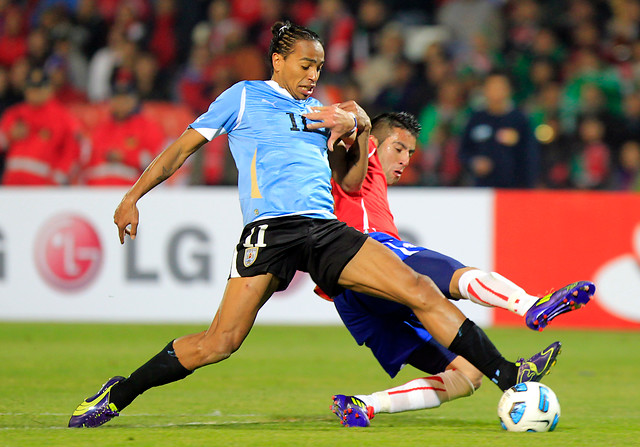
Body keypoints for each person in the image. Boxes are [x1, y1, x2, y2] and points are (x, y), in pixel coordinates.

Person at [69, 21, 563, 429]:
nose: (312, 75)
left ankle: (508, 375)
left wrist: (360, 131)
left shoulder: (320, 114)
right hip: (271, 232)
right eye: (305, 65)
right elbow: (181, 148)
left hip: (324, 229)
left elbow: (348, 180)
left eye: (319, 67)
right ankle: (119, 393)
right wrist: (133, 197)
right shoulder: (243, 97)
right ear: (278, 61)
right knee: (219, 343)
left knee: (416, 287)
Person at [322, 111, 594, 427]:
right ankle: (531, 304)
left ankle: (362, 405)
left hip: (350, 297)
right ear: (373, 142)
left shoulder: (349, 180)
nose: (405, 159)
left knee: (468, 373)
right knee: (454, 277)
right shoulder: (360, 150)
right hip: (368, 252)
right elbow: (345, 124)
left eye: (410, 153)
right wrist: (354, 117)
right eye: (398, 148)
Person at [459, 71, 540, 188]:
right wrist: (473, 162)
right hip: (482, 188)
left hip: (513, 189)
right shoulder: (475, 119)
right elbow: (464, 150)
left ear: (508, 90)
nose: (495, 92)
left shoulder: (520, 120)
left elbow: (530, 155)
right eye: (491, 87)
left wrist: (529, 184)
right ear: (484, 90)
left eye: (500, 87)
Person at [0, 67, 80, 185]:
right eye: (30, 87)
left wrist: (57, 179)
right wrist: (9, 135)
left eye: (38, 88)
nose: (34, 92)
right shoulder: (14, 113)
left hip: (41, 186)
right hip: (12, 182)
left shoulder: (63, 117)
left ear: (49, 89)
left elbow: (72, 150)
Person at [81, 82, 166, 186]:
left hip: (131, 186)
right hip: (98, 187)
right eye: (116, 99)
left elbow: (155, 160)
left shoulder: (146, 127)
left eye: (124, 100)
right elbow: (89, 159)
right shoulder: (100, 128)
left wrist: (125, 157)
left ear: (133, 101)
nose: (120, 103)